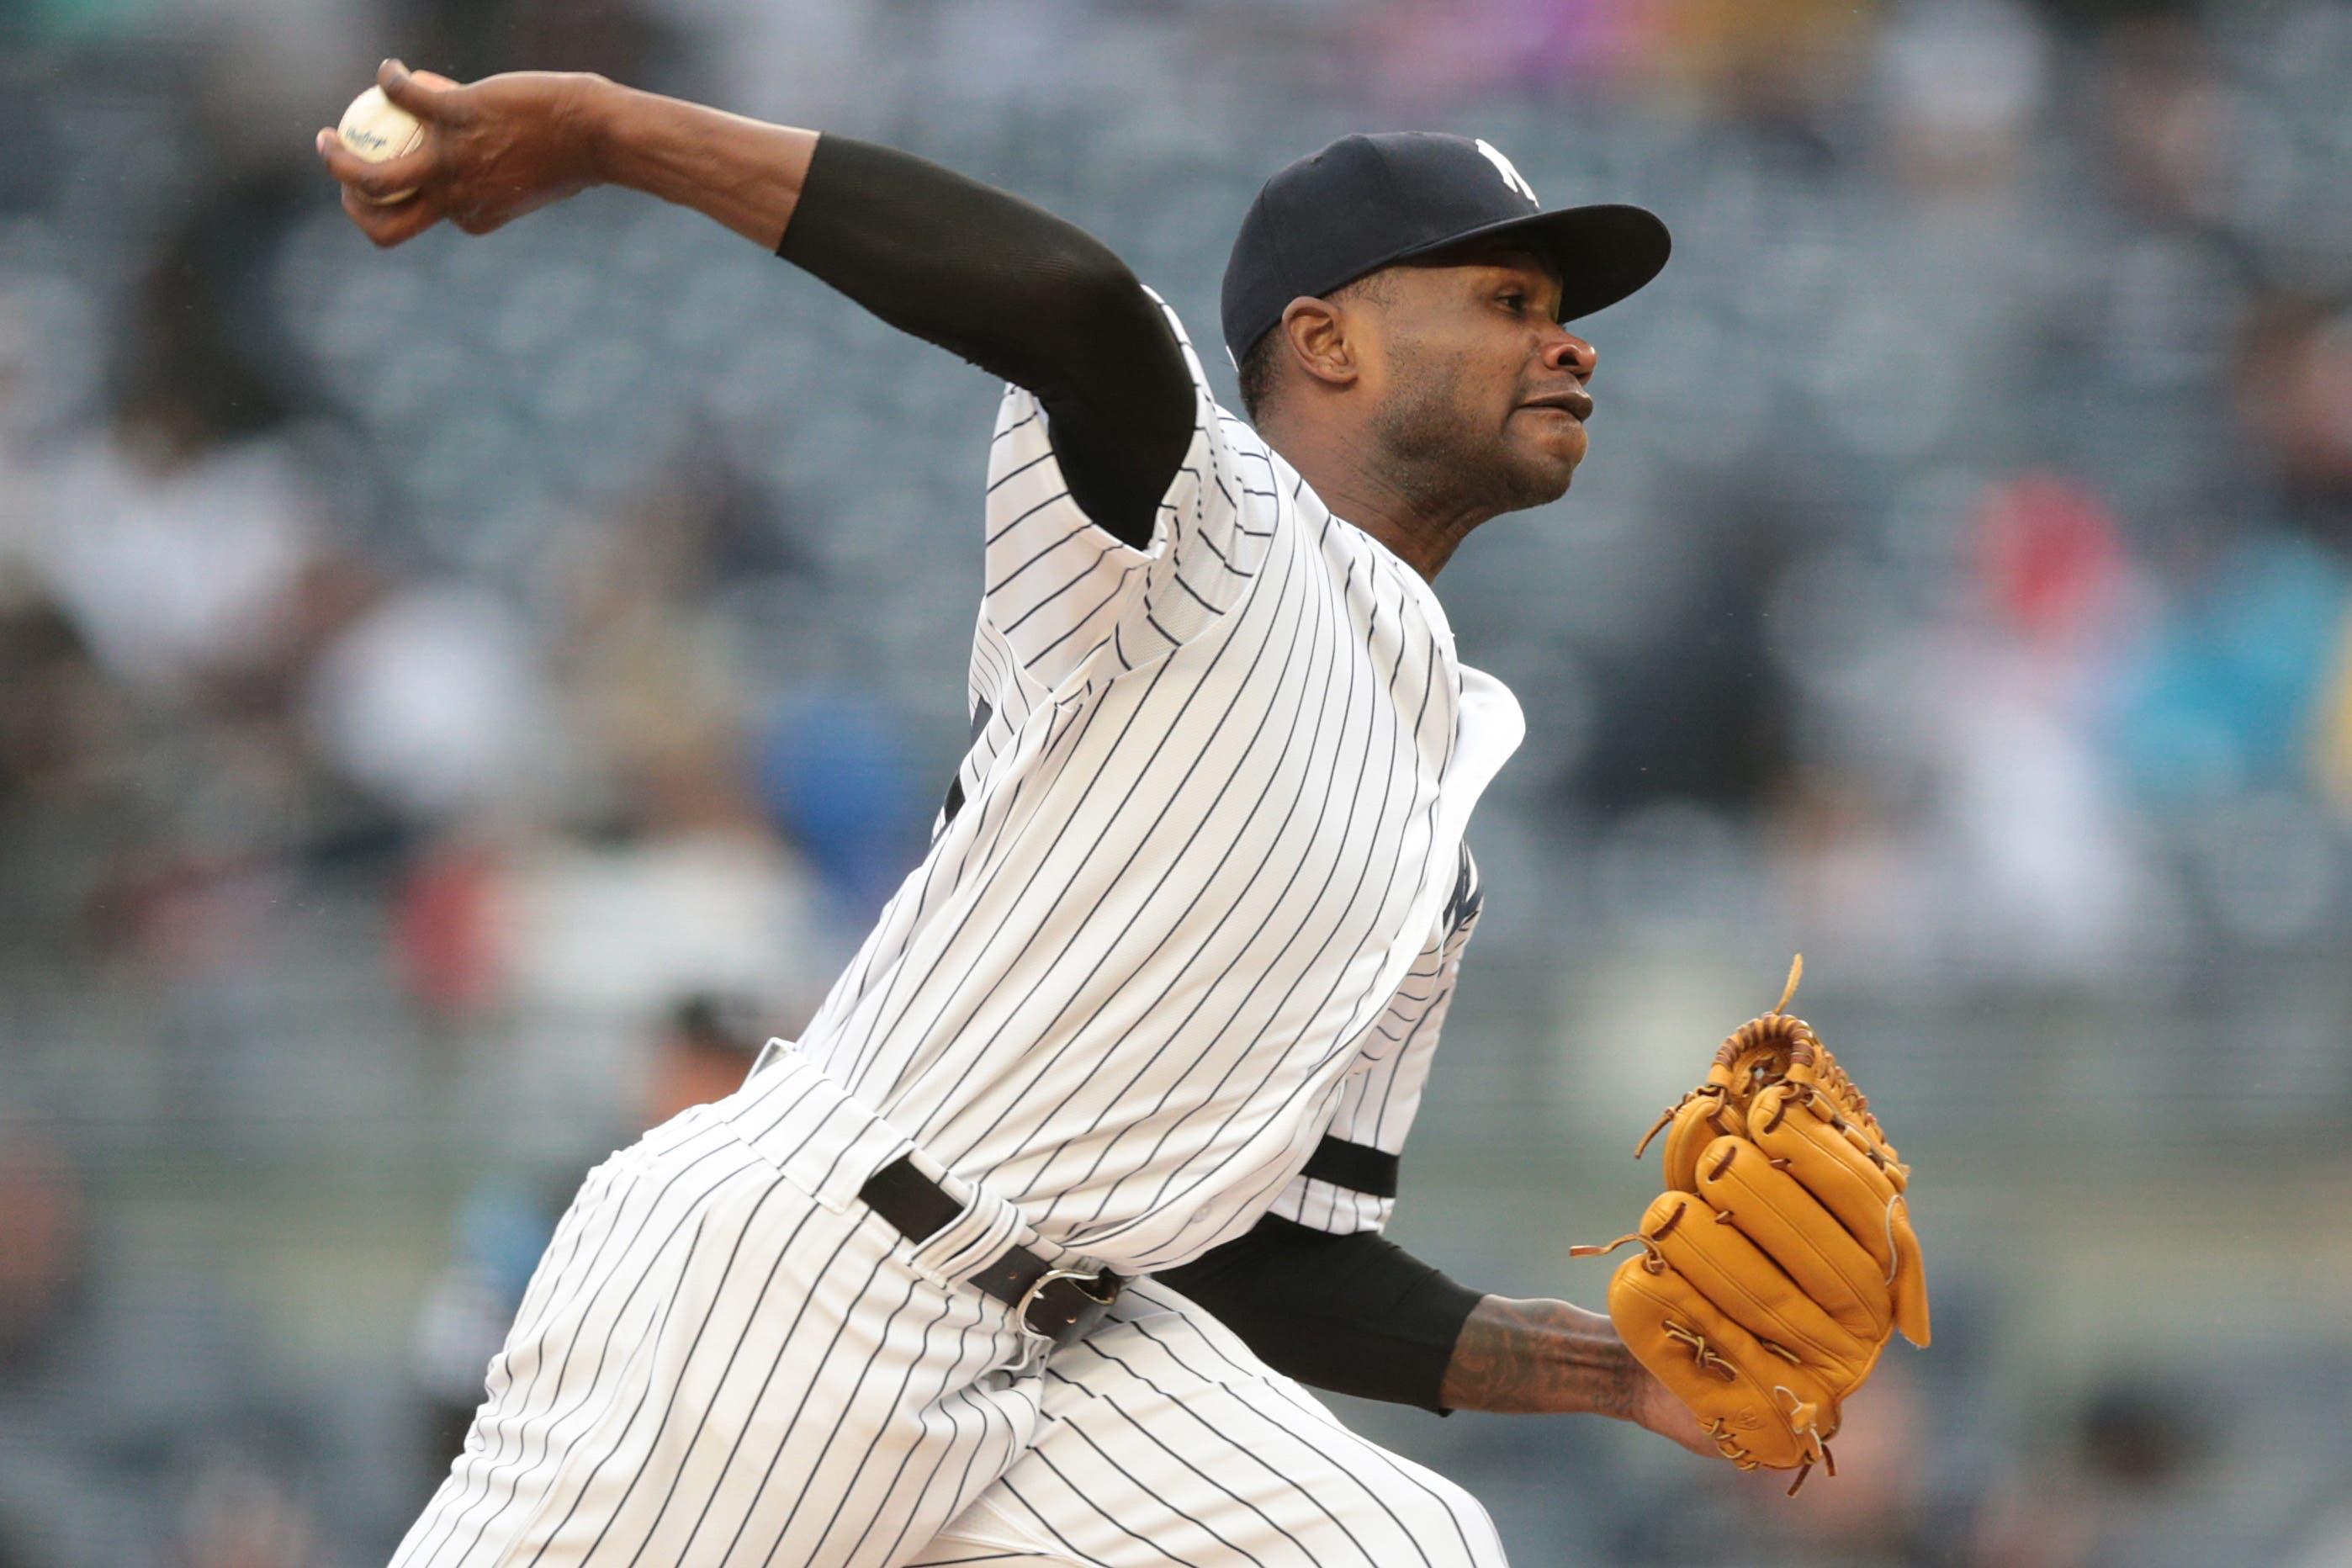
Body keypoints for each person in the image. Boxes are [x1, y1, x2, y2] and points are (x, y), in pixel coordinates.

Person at [319, 57, 1704, 1568]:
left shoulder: (1435, 802)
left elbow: (1280, 1269)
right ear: (1326, 340)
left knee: (1404, 1551)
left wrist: (1619, 1371)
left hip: (1071, 1356)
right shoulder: (1201, 522)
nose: (1567, 346)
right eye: (1508, 300)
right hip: (797, 1289)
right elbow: (1065, 301)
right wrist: (607, 131)